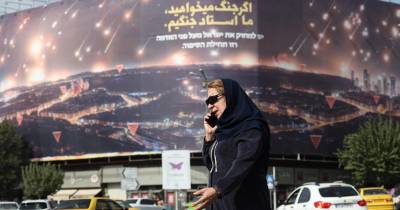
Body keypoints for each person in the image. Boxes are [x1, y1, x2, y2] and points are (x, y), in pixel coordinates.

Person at [193, 79, 271, 210]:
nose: (210, 106)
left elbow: (243, 164)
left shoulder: (252, 128)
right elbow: (212, 166)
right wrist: (209, 138)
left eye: (213, 100)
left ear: (230, 97)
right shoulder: (223, 130)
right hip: (221, 205)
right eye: (208, 102)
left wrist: (218, 190)